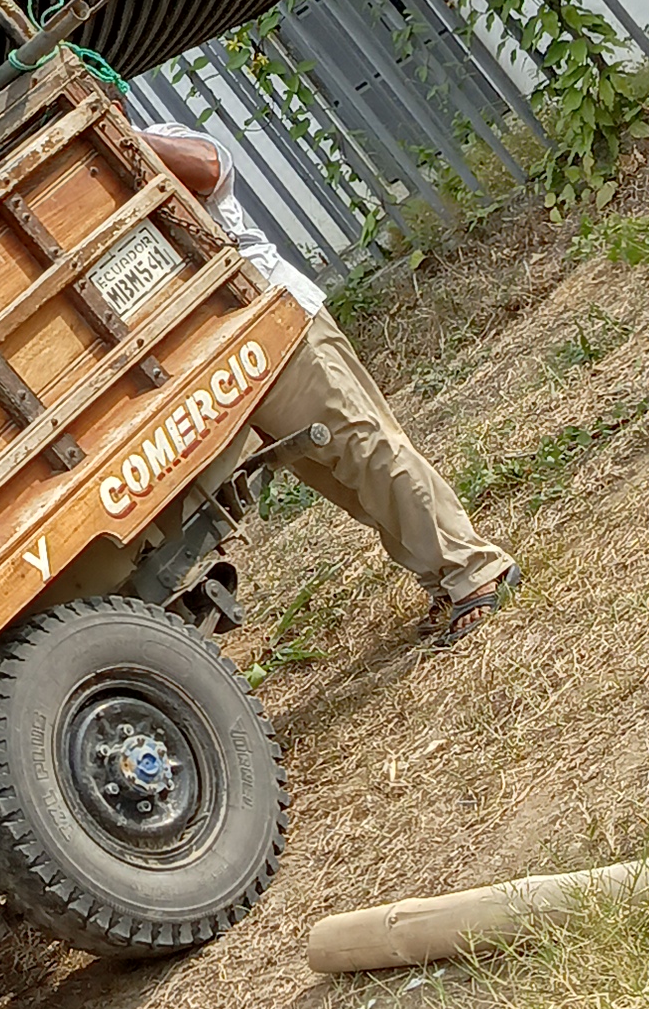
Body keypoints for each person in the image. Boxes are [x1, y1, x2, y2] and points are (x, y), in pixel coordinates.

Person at [140, 126, 520, 648]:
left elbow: (211, 167)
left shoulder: (155, 138)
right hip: (229, 354)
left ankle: (475, 570)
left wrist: (120, 131)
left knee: (364, 448)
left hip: (277, 323)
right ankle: (444, 578)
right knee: (343, 479)